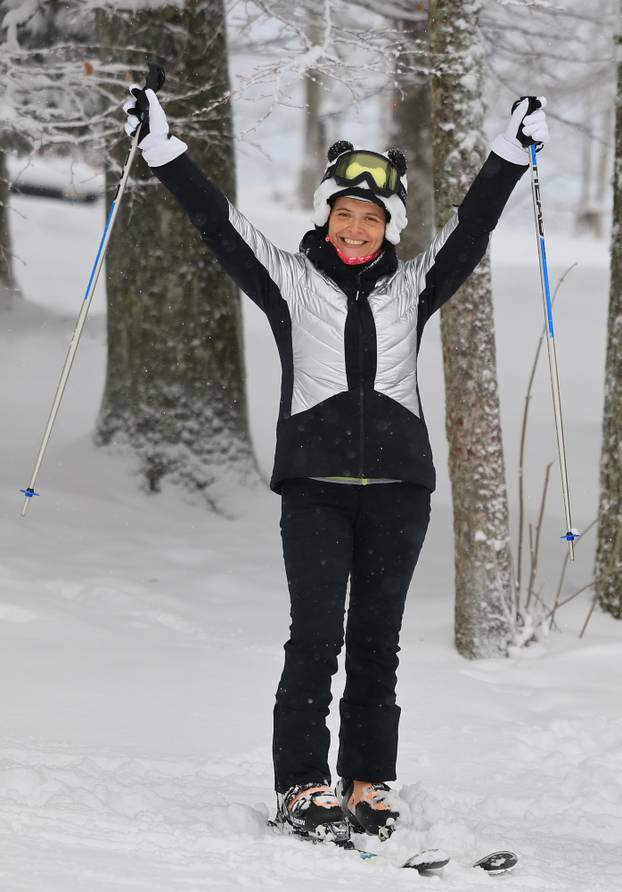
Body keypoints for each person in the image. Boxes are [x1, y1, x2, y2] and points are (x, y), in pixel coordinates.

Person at [122, 86, 549, 844]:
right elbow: (217, 223)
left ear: (390, 227)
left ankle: (366, 783)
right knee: (316, 636)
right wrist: (163, 148)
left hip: (399, 494)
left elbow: (472, 229)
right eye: (346, 214)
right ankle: (300, 786)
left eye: (373, 218)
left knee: (378, 644)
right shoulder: (289, 281)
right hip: (315, 491)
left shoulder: (414, 287)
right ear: (326, 215)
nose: (357, 228)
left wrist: (510, 153)